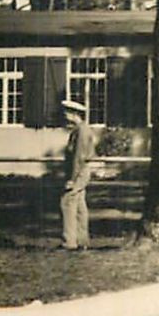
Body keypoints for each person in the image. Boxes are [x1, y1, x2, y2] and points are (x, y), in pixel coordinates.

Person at [60, 97, 96, 250]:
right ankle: (82, 240)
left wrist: (72, 179)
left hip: (80, 171)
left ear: (75, 114)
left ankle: (70, 241)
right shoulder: (80, 130)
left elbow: (78, 157)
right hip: (82, 170)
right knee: (80, 205)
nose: (65, 115)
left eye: (67, 112)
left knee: (67, 201)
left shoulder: (81, 131)